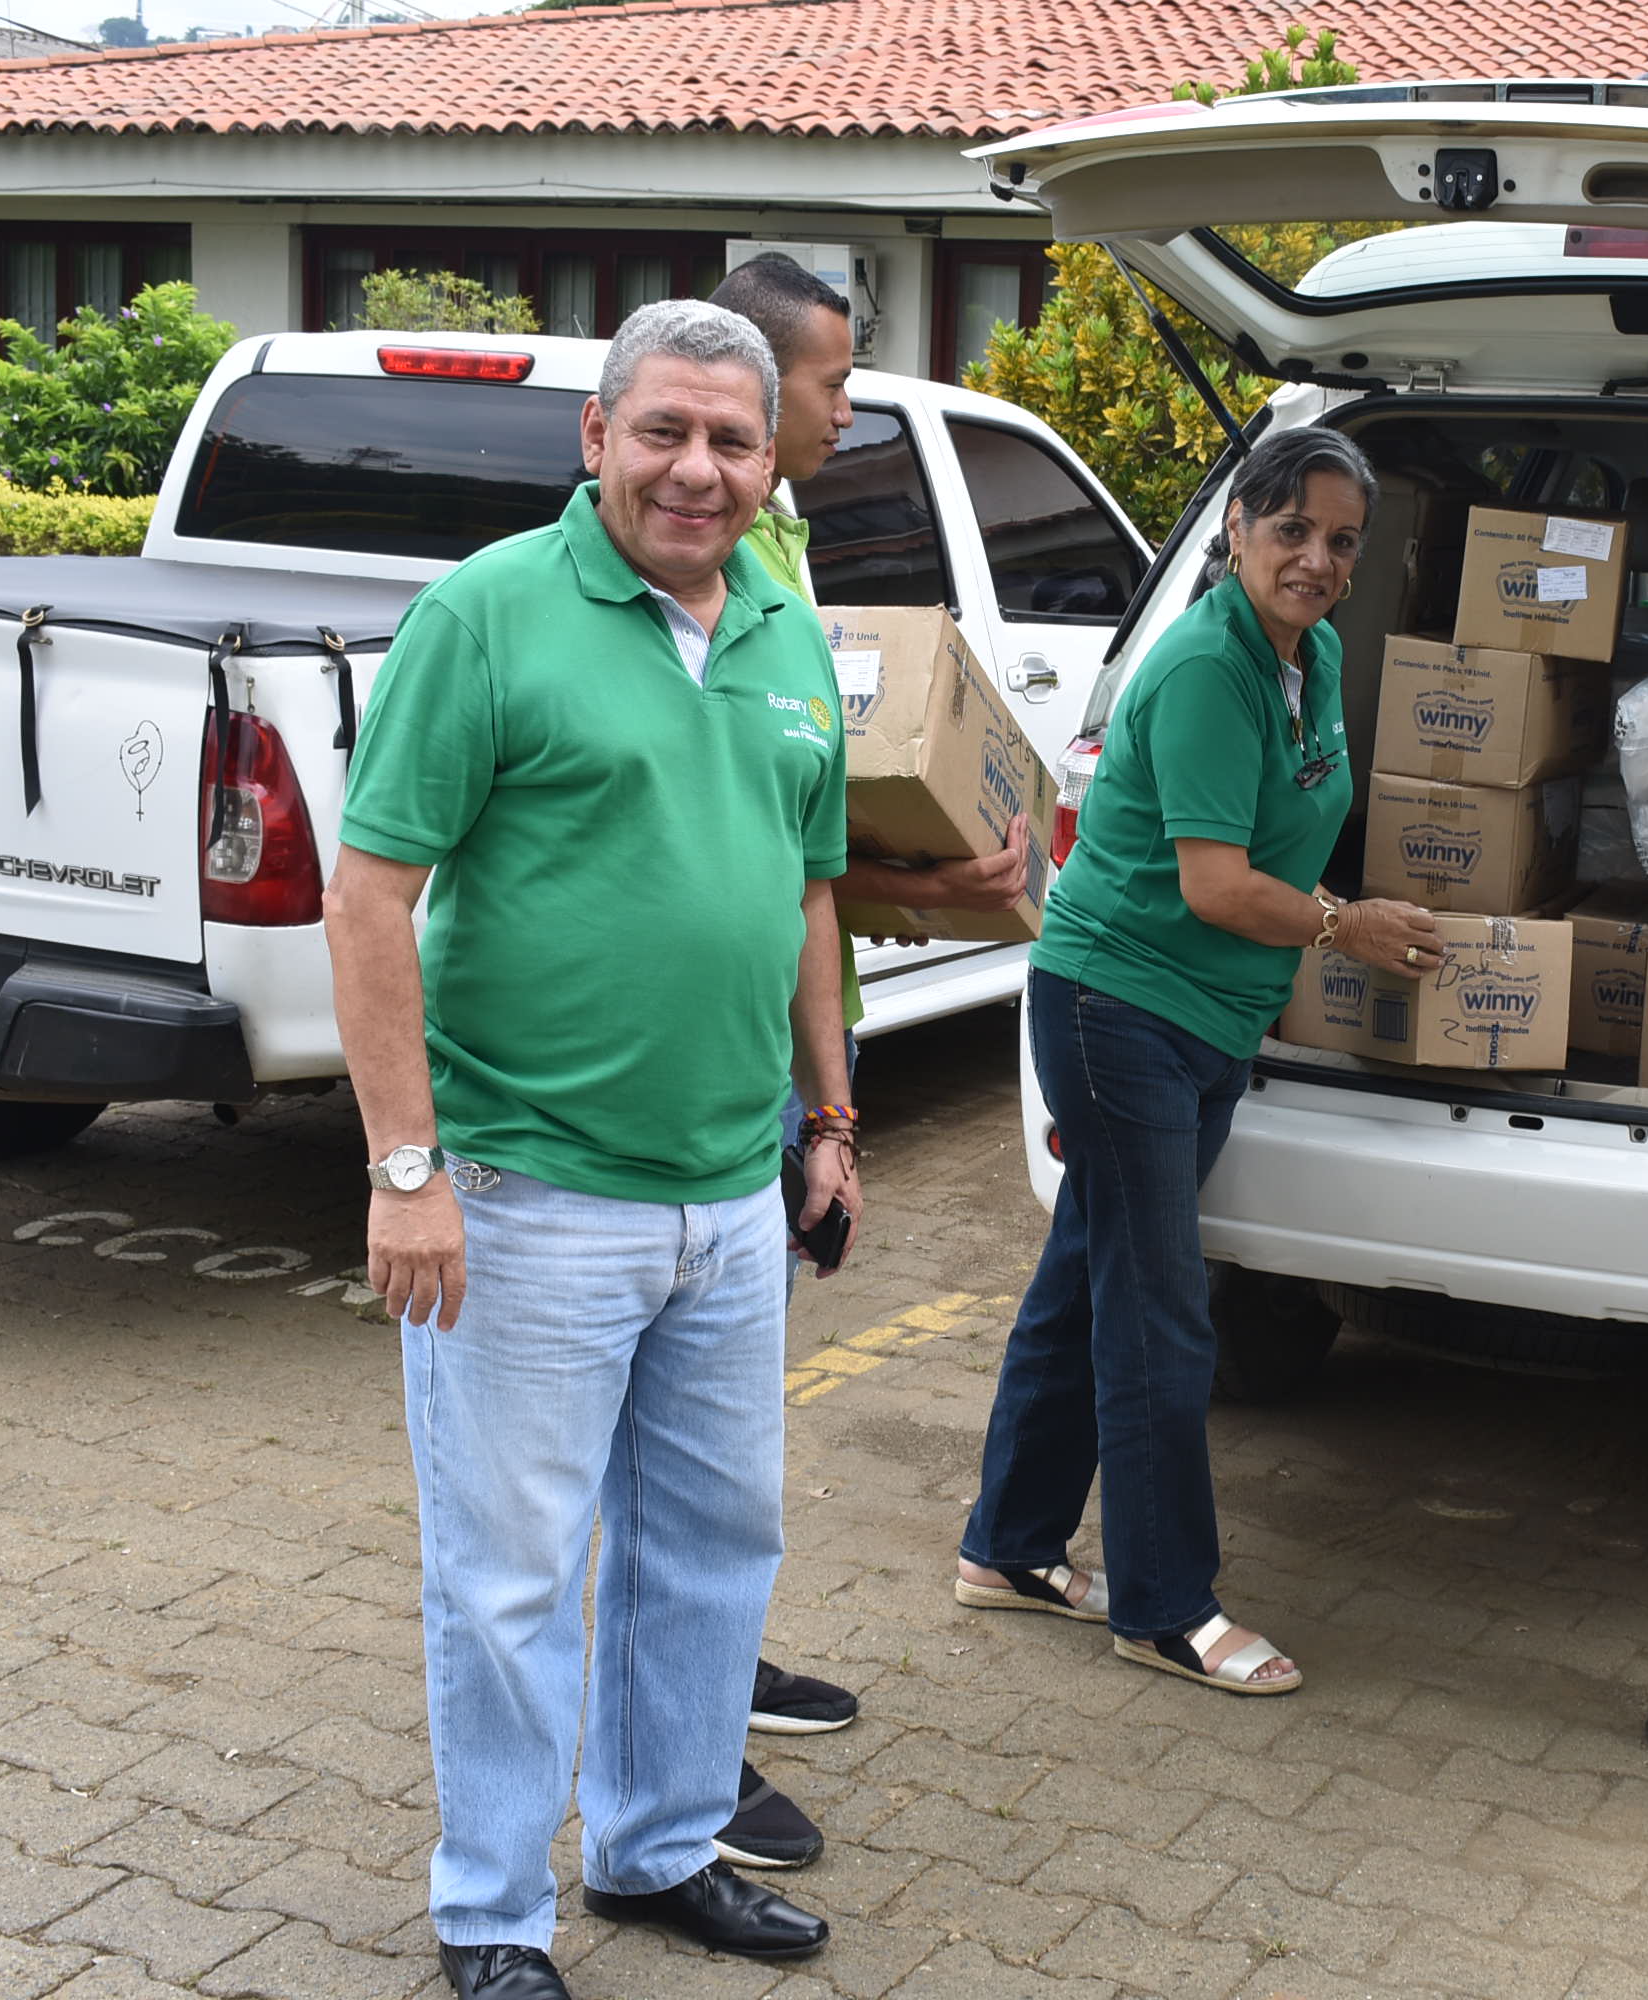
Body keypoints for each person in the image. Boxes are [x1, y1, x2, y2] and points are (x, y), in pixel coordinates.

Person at [326, 299, 853, 2000]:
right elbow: (370, 894)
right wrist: (404, 1170)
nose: (696, 470)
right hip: (524, 1191)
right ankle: (492, 1911)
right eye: (664, 432)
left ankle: (653, 1850)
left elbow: (802, 897)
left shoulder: (782, 628)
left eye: (731, 441)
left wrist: (829, 1119)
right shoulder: (486, 615)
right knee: (509, 1583)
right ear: (596, 439)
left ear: (770, 467)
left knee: (714, 1552)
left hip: (725, 1197)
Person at [954, 426, 1443, 1696]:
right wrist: (1346, 924)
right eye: (1291, 531)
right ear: (1235, 531)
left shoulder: (1314, 653)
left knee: (1083, 1280)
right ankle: (1165, 1603)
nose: (1318, 560)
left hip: (1208, 1020)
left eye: (1342, 539)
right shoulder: (1200, 670)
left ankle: (1007, 1548)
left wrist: (1322, 920)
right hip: (1118, 1011)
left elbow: (1285, 827)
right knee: (1161, 1314)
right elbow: (1218, 883)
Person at [693, 247, 1033, 1877]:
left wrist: (831, 1103)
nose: (850, 403)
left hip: (770, 1052)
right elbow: (760, 853)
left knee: (726, 1420)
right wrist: (921, 889)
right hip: (685, 1078)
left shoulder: (781, 550)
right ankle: (673, 1737)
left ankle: (708, 1674)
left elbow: (803, 854)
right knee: (682, 1431)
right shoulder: (720, 578)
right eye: (833, 380)